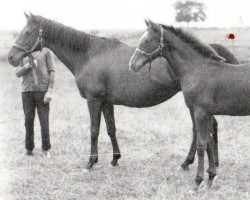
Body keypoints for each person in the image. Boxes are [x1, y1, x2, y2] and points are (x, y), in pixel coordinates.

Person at [15, 48, 56, 158]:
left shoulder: (46, 51)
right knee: (28, 120)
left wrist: (50, 90)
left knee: (44, 120)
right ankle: (28, 149)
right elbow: (17, 73)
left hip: (42, 90)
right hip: (26, 91)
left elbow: (52, 70)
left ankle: (46, 149)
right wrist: (27, 66)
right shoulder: (22, 52)